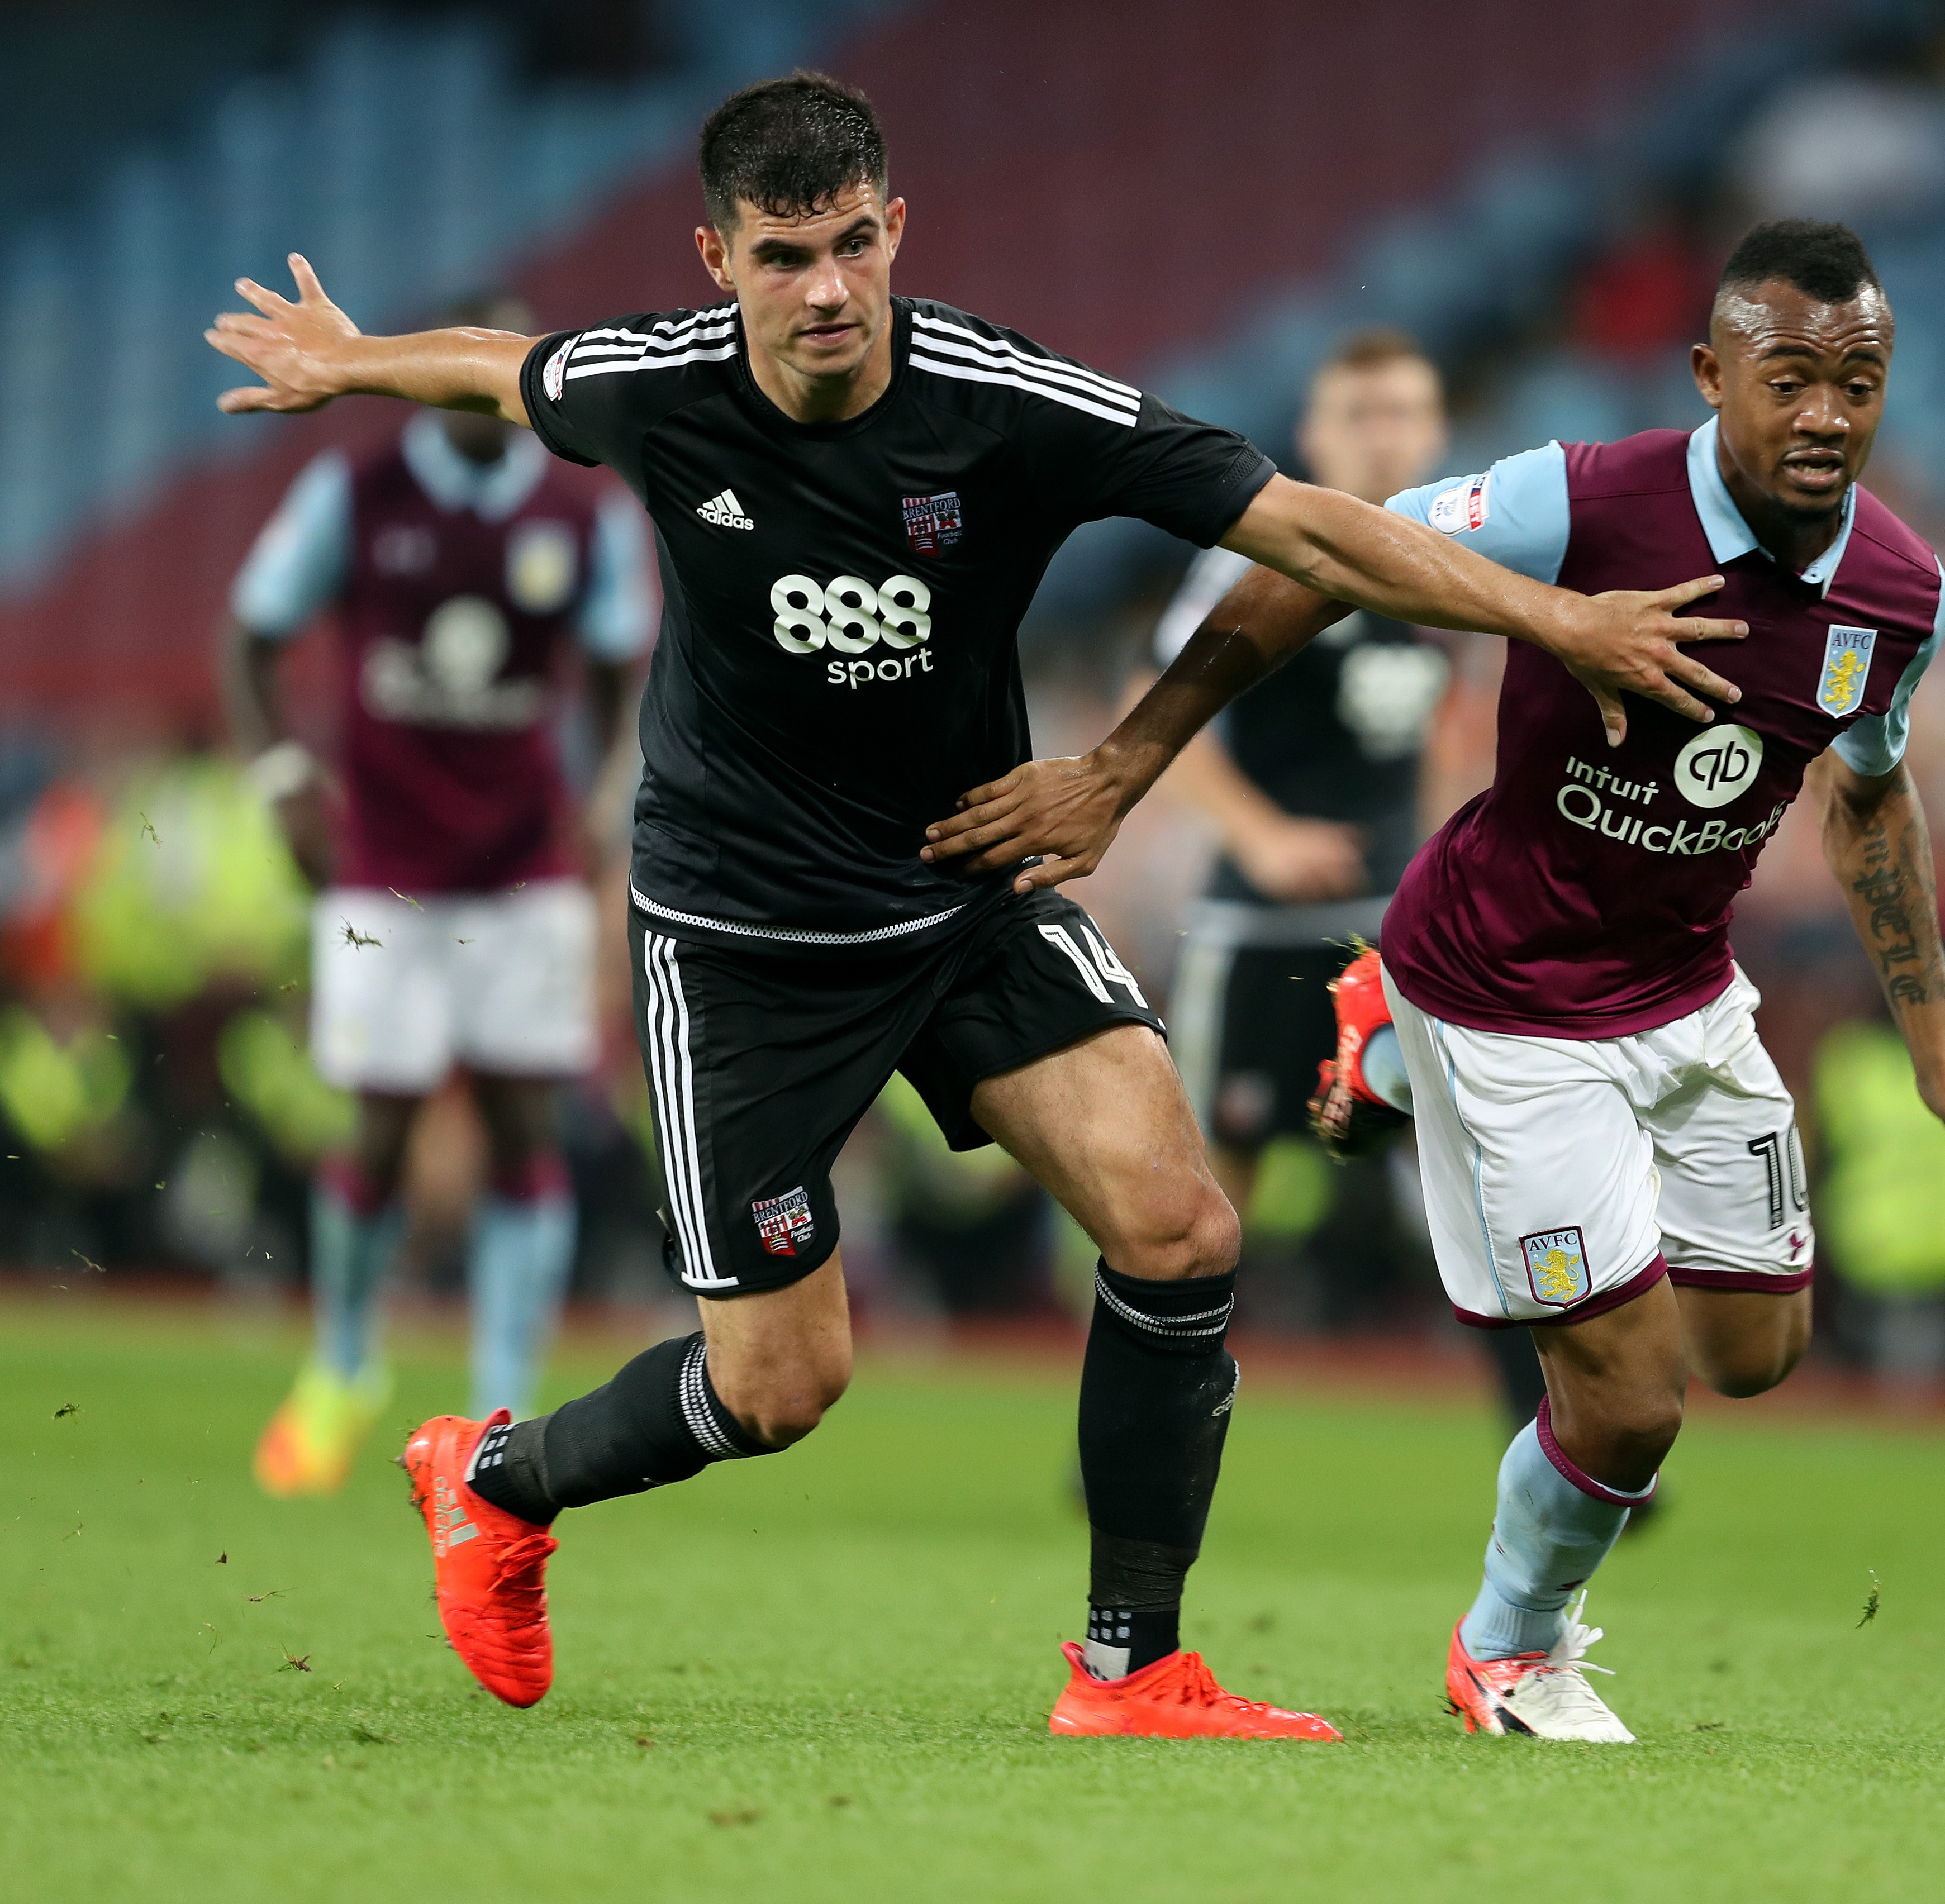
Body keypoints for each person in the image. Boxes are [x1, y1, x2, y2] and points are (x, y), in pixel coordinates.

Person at [206, 70, 1738, 1739]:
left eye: (857, 245)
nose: (829, 291)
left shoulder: (1002, 400)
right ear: (715, 258)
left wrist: (1555, 623)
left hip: (963, 887)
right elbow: (506, 372)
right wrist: (351, 360)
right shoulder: (649, 386)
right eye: (786, 256)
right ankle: (499, 1483)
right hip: (741, 939)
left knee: (1179, 1225)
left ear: (898, 232)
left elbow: (1305, 528)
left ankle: (1129, 1669)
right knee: (781, 1387)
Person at [940, 218, 1945, 1742]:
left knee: (1759, 1355)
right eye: (1787, 377)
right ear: (1710, 375)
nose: (1824, 415)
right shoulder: (1580, 500)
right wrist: (1127, 768)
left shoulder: (1898, 591)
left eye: (1856, 381)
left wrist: (1939, 1057)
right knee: (1631, 1404)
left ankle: (1382, 1050)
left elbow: (1869, 792)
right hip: (1504, 992)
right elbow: (1320, 559)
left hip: (1686, 994)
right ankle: (1510, 1649)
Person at [223, 293, 653, 1497]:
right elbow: (251, 635)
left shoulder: (581, 507)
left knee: (525, 1121)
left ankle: (500, 1391)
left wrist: (600, 801)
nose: (495, 386)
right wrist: (280, 773)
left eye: (516, 366)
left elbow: (625, 668)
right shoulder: (354, 493)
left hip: (525, 873)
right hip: (383, 870)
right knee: (383, 1122)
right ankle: (342, 1362)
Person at [1145, 330, 1452, 1211]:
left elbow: (1436, 734)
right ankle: (1180, 1352)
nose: (1383, 436)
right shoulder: (1264, 553)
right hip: (1262, 929)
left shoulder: (1463, 557)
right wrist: (1261, 836)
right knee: (1207, 1201)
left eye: (1404, 414)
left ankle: (1526, 1355)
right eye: (1360, 415)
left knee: (1465, 1181)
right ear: (1314, 436)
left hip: (1399, 933)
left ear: (1436, 433)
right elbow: (1152, 693)